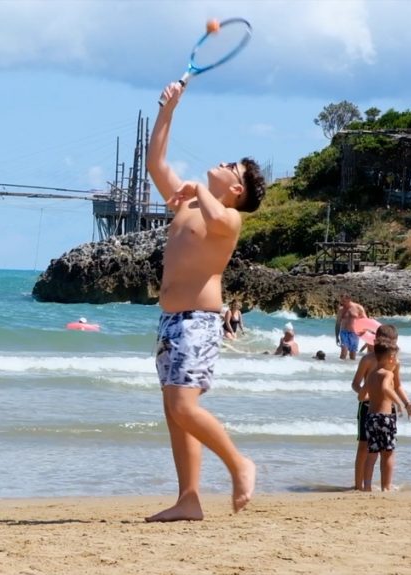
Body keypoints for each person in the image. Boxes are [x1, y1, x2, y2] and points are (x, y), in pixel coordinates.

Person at [144, 80, 266, 522]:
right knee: (175, 415)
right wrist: (168, 109)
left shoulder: (229, 217)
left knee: (183, 407)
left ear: (237, 190)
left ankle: (239, 463)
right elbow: (156, 162)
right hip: (170, 323)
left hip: (198, 322)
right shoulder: (188, 204)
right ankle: (189, 499)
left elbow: (215, 215)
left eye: (230, 166)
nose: (221, 162)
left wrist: (197, 188)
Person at [350, 324, 411, 491]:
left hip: (387, 409)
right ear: (378, 341)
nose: (393, 350)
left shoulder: (395, 363)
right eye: (390, 345)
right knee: (364, 446)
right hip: (368, 407)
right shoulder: (367, 360)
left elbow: (397, 386)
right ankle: (359, 486)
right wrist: (367, 396)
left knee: (387, 449)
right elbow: (356, 384)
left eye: (394, 345)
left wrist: (407, 404)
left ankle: (384, 485)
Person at [357, 340, 406, 491]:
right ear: (390, 358)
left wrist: (372, 398)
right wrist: (398, 403)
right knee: (388, 454)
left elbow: (360, 396)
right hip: (385, 418)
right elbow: (386, 388)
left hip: (371, 418)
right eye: (396, 358)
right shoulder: (389, 374)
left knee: (372, 454)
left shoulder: (371, 376)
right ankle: (386, 487)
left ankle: (367, 487)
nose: (397, 361)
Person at [335, 294, 366, 360]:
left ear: (349, 300)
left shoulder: (358, 307)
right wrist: (337, 336)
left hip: (354, 333)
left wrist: (364, 331)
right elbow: (338, 323)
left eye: (344, 301)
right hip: (344, 332)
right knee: (344, 352)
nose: (342, 303)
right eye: (341, 301)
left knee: (352, 355)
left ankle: (349, 369)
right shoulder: (341, 309)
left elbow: (365, 320)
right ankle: (339, 367)